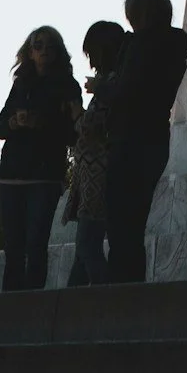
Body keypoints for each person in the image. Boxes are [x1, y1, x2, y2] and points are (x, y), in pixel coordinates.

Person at [104, 0, 187, 283]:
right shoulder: (173, 48)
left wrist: (105, 86)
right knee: (133, 222)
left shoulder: (142, 46)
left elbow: (129, 90)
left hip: (130, 138)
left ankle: (121, 290)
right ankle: (130, 290)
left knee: (119, 223)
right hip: (154, 137)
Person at [0, 26, 81, 291]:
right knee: (13, 249)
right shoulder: (20, 85)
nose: (43, 51)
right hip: (11, 175)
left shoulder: (67, 86)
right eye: (37, 45)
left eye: (48, 46)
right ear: (29, 52)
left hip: (44, 175)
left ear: (58, 52)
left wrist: (40, 123)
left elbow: (74, 133)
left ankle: (32, 305)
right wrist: (14, 122)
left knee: (36, 244)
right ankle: (11, 305)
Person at [64, 19, 127, 288]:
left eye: (91, 54)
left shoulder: (110, 86)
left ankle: (105, 301)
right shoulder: (115, 84)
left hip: (96, 179)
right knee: (82, 252)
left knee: (88, 246)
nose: (90, 62)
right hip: (92, 176)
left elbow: (90, 128)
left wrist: (77, 112)